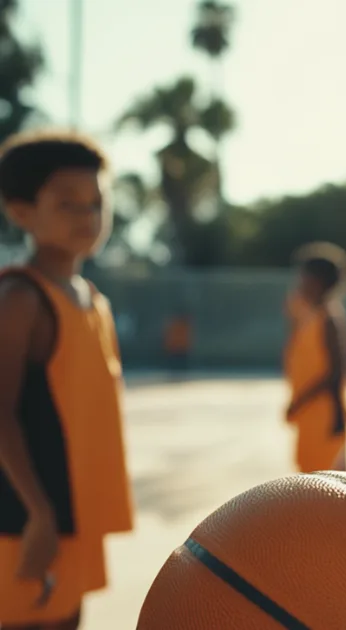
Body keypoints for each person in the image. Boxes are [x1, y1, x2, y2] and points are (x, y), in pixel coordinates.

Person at [0, 131, 134, 630]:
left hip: (72, 521)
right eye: (67, 204)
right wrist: (37, 513)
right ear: (21, 212)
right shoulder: (21, 298)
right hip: (26, 522)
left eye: (96, 202)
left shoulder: (92, 300)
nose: (87, 216)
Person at [283, 242, 346, 473]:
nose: (299, 282)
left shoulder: (329, 318)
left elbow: (336, 372)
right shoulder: (307, 316)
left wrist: (299, 402)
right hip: (309, 415)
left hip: (324, 415)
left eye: (304, 277)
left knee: (325, 487)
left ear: (319, 282)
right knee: (308, 478)